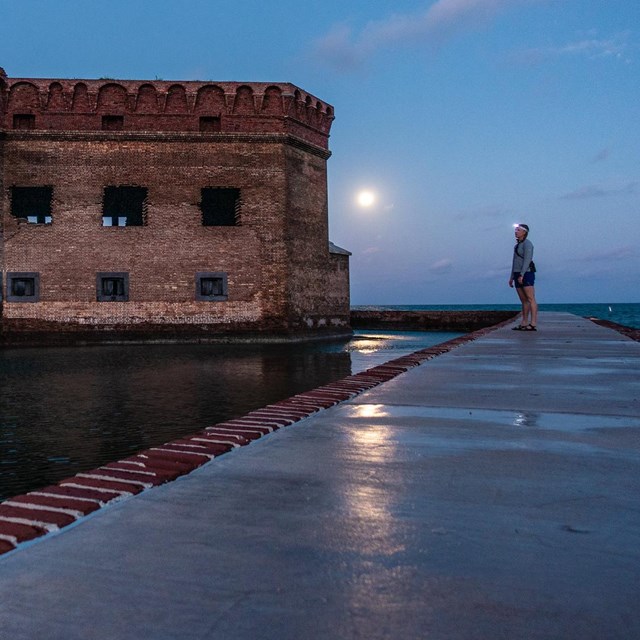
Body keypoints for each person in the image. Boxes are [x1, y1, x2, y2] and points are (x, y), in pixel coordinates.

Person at [509, 223, 538, 331]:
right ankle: (524, 322)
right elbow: (514, 262)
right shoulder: (517, 246)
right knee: (523, 300)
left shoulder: (528, 244)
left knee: (531, 299)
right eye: (515, 230)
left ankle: (533, 323)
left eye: (518, 230)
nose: (516, 232)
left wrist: (522, 274)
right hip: (517, 273)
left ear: (524, 232)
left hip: (527, 273)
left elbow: (527, 260)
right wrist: (512, 277)